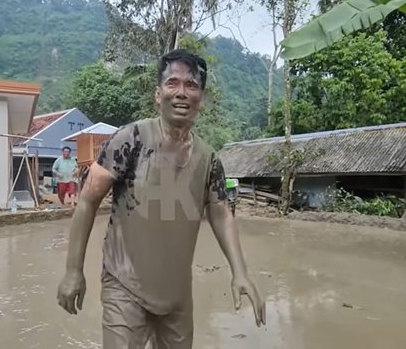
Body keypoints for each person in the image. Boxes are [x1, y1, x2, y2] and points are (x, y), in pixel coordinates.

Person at [57, 49, 266, 348]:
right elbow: (88, 201)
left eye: (191, 85)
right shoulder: (130, 140)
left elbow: (221, 214)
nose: (182, 92)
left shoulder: (209, 159)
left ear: (201, 98)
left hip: (177, 296)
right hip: (124, 283)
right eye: (173, 83)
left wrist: (240, 273)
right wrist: (73, 271)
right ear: (158, 94)